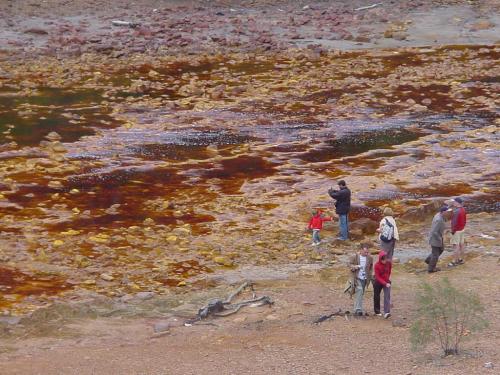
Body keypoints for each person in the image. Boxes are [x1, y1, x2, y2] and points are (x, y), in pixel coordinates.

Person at [425, 205, 452, 273]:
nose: (448, 213)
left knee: (440, 250)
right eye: (447, 211)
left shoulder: (440, 215)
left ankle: (428, 260)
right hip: (435, 239)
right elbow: (434, 231)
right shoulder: (438, 219)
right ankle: (431, 269)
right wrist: (440, 239)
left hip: (438, 237)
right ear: (443, 212)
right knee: (436, 254)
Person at [349, 243, 373, 316]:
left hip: (365, 279)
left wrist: (370, 276)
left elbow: (371, 267)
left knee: (360, 293)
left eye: (367, 252)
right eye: (365, 252)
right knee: (359, 290)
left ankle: (356, 309)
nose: (366, 253)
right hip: (356, 277)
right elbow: (349, 265)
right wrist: (355, 267)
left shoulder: (370, 258)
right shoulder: (355, 256)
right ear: (360, 250)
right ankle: (358, 309)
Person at [448, 197, 467, 267]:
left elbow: (454, 223)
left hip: (456, 231)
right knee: (462, 245)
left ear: (457, 203)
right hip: (462, 229)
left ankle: (454, 261)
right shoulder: (463, 209)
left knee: (455, 246)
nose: (453, 203)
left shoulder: (456, 212)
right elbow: (465, 220)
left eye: (454, 202)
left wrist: (453, 231)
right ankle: (462, 259)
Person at [373, 251, 392, 319]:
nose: (385, 261)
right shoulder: (376, 265)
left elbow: (389, 271)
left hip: (386, 282)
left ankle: (387, 312)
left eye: (385, 259)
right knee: (376, 295)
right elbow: (377, 277)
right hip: (378, 281)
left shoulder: (389, 263)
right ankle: (377, 311)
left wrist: (387, 280)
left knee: (387, 295)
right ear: (380, 259)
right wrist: (384, 283)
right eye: (383, 260)